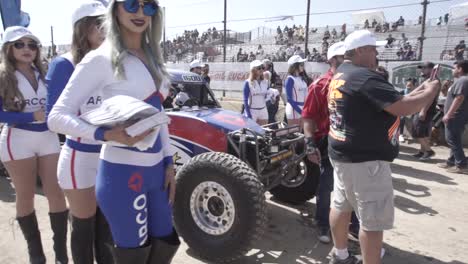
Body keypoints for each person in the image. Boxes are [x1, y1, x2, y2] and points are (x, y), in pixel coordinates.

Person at [48, 0, 180, 263]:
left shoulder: (153, 55)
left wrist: (168, 163)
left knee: (165, 245)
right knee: (132, 254)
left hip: (157, 172)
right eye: (132, 4)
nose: (141, 13)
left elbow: (158, 115)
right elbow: (56, 117)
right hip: (122, 173)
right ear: (116, 8)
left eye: (149, 6)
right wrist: (104, 134)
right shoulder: (100, 58)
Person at [327, 30, 440, 264]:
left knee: (341, 205)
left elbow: (394, 99)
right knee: (372, 222)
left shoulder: (342, 73)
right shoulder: (364, 76)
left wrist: (421, 89)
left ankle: (339, 254)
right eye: (372, 49)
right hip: (364, 161)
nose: (376, 53)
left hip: (343, 154)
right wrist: (432, 90)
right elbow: (404, 107)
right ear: (360, 51)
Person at [45, 2, 114, 263]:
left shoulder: (110, 63)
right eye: (99, 24)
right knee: (84, 230)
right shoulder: (63, 64)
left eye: (109, 23)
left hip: (109, 157)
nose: (106, 29)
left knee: (106, 230)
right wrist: (98, 133)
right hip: (79, 159)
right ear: (81, 28)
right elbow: (54, 120)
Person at [0, 26, 68, 264]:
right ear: (8, 49)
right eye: (20, 44)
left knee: (56, 193)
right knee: (26, 195)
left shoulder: (45, 73)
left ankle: (61, 255)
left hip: (47, 137)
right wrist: (30, 117)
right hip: (18, 140)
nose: (27, 49)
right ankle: (36, 255)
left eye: (32, 45)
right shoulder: (3, 76)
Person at [302, 42, 360, 244]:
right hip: (327, 141)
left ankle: (353, 225)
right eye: (343, 57)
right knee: (327, 185)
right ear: (332, 60)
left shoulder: (356, 82)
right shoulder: (319, 86)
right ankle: (323, 224)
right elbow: (308, 117)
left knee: (352, 187)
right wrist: (310, 144)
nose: (348, 61)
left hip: (351, 140)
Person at [439, 60, 468, 173]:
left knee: (452, 139)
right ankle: (451, 161)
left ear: (460, 69)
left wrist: (448, 114)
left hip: (455, 116)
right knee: (454, 139)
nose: (452, 70)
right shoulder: (462, 80)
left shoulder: (463, 80)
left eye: (454, 68)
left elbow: (459, 98)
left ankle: (462, 165)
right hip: (457, 116)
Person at [411, 62, 440, 161]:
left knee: (418, 132)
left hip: (426, 110)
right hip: (419, 108)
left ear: (432, 69)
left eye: (424, 68)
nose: (422, 70)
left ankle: (429, 151)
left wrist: (423, 110)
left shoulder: (434, 82)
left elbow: (430, 98)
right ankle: (422, 151)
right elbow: (414, 92)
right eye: (422, 68)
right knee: (421, 132)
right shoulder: (427, 80)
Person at [242, 60, 268, 125]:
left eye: (262, 67)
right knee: (251, 133)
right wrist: (248, 114)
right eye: (259, 68)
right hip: (252, 111)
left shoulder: (265, 82)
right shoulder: (247, 82)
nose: (261, 69)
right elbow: (245, 100)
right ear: (253, 70)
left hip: (263, 110)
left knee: (263, 132)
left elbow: (266, 96)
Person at [285, 55, 308, 127]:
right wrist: (300, 111)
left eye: (303, 64)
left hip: (302, 107)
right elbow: (289, 99)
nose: (303, 66)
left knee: (300, 132)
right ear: (295, 66)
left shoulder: (302, 78)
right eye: (301, 64)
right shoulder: (290, 79)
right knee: (294, 132)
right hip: (293, 109)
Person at [399, 78, 417, 142]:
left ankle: (412, 135)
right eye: (407, 85)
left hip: (414, 110)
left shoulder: (417, 93)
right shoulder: (402, 92)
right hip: (403, 110)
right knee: (402, 118)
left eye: (410, 85)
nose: (408, 87)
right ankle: (400, 135)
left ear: (414, 86)